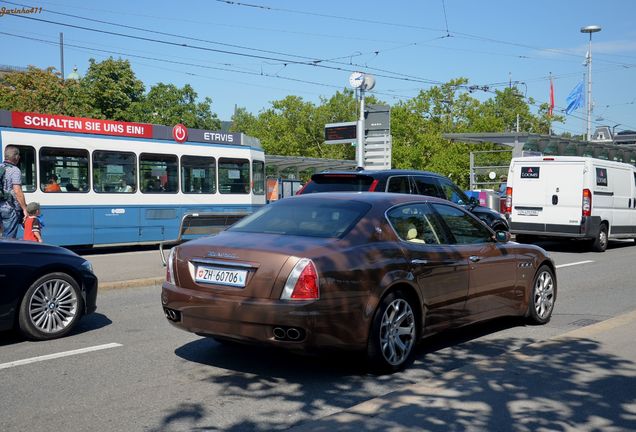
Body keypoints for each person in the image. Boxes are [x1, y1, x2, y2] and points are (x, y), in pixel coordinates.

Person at [1, 145, 28, 238]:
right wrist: (24, 208)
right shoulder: (15, 170)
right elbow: (17, 191)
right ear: (16, 157)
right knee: (9, 238)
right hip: (9, 208)